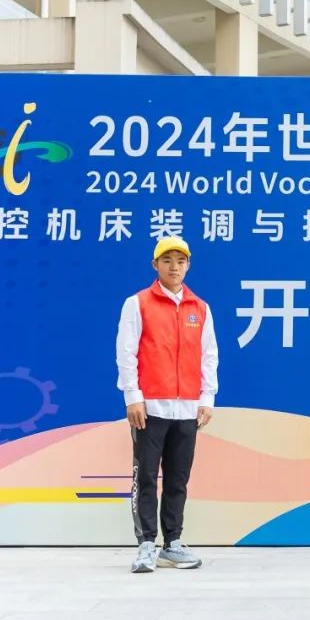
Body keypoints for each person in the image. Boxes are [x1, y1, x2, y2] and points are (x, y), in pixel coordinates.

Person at [116, 236, 218, 574]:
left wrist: (206, 398)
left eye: (180, 261)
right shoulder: (138, 303)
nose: (174, 267)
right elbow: (126, 352)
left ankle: (172, 543)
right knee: (145, 476)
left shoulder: (200, 308)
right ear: (155, 265)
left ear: (188, 265)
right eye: (167, 260)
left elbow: (209, 356)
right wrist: (133, 396)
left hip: (187, 408)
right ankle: (146, 544)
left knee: (178, 479)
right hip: (150, 408)